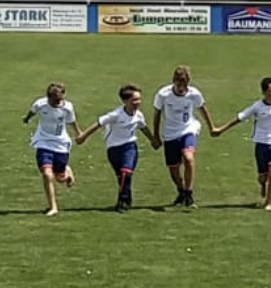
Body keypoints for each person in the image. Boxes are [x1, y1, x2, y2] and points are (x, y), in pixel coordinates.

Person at [212, 76, 271, 211]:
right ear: (264, 92)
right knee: (263, 177)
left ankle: (268, 203)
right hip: (261, 143)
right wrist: (221, 129)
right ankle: (263, 184)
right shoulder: (257, 106)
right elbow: (239, 118)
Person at [76, 84, 161, 212]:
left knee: (126, 172)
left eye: (139, 99)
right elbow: (99, 123)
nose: (138, 102)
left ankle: (122, 201)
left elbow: (143, 127)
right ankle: (127, 198)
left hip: (129, 147)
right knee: (121, 176)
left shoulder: (138, 115)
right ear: (125, 101)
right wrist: (83, 136)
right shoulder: (116, 115)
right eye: (134, 100)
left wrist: (153, 140)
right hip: (114, 149)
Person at [152, 65, 217, 208]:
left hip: (188, 129)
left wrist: (211, 127)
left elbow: (203, 109)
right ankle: (181, 191)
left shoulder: (194, 94)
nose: (181, 86)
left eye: (184, 82)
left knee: (188, 157)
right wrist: (155, 135)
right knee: (173, 168)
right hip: (170, 134)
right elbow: (157, 114)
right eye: (179, 82)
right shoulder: (163, 94)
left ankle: (189, 192)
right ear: (174, 81)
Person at [23, 82, 82, 216]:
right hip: (43, 142)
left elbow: (72, 122)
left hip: (60, 144)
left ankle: (66, 171)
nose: (57, 104)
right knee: (47, 174)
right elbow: (32, 112)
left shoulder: (67, 107)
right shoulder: (40, 104)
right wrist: (26, 119)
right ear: (48, 98)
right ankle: (53, 207)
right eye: (54, 101)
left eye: (59, 101)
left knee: (60, 178)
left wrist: (79, 133)